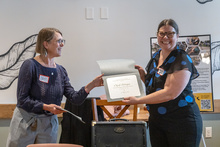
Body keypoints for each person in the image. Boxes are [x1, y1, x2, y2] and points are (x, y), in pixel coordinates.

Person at [6, 28, 103, 147]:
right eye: (59, 41)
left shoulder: (61, 71)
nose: (62, 44)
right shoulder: (30, 65)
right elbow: (22, 99)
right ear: (46, 44)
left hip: (49, 125)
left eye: (63, 41)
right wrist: (46, 107)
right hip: (26, 122)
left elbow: (75, 98)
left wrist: (92, 84)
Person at [123, 19, 202, 147]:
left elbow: (170, 93)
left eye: (170, 34)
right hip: (158, 122)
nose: (165, 37)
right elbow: (156, 87)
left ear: (177, 35)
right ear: (157, 35)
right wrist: (143, 76)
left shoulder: (181, 58)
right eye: (162, 33)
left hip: (181, 122)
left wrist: (137, 100)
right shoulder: (156, 56)